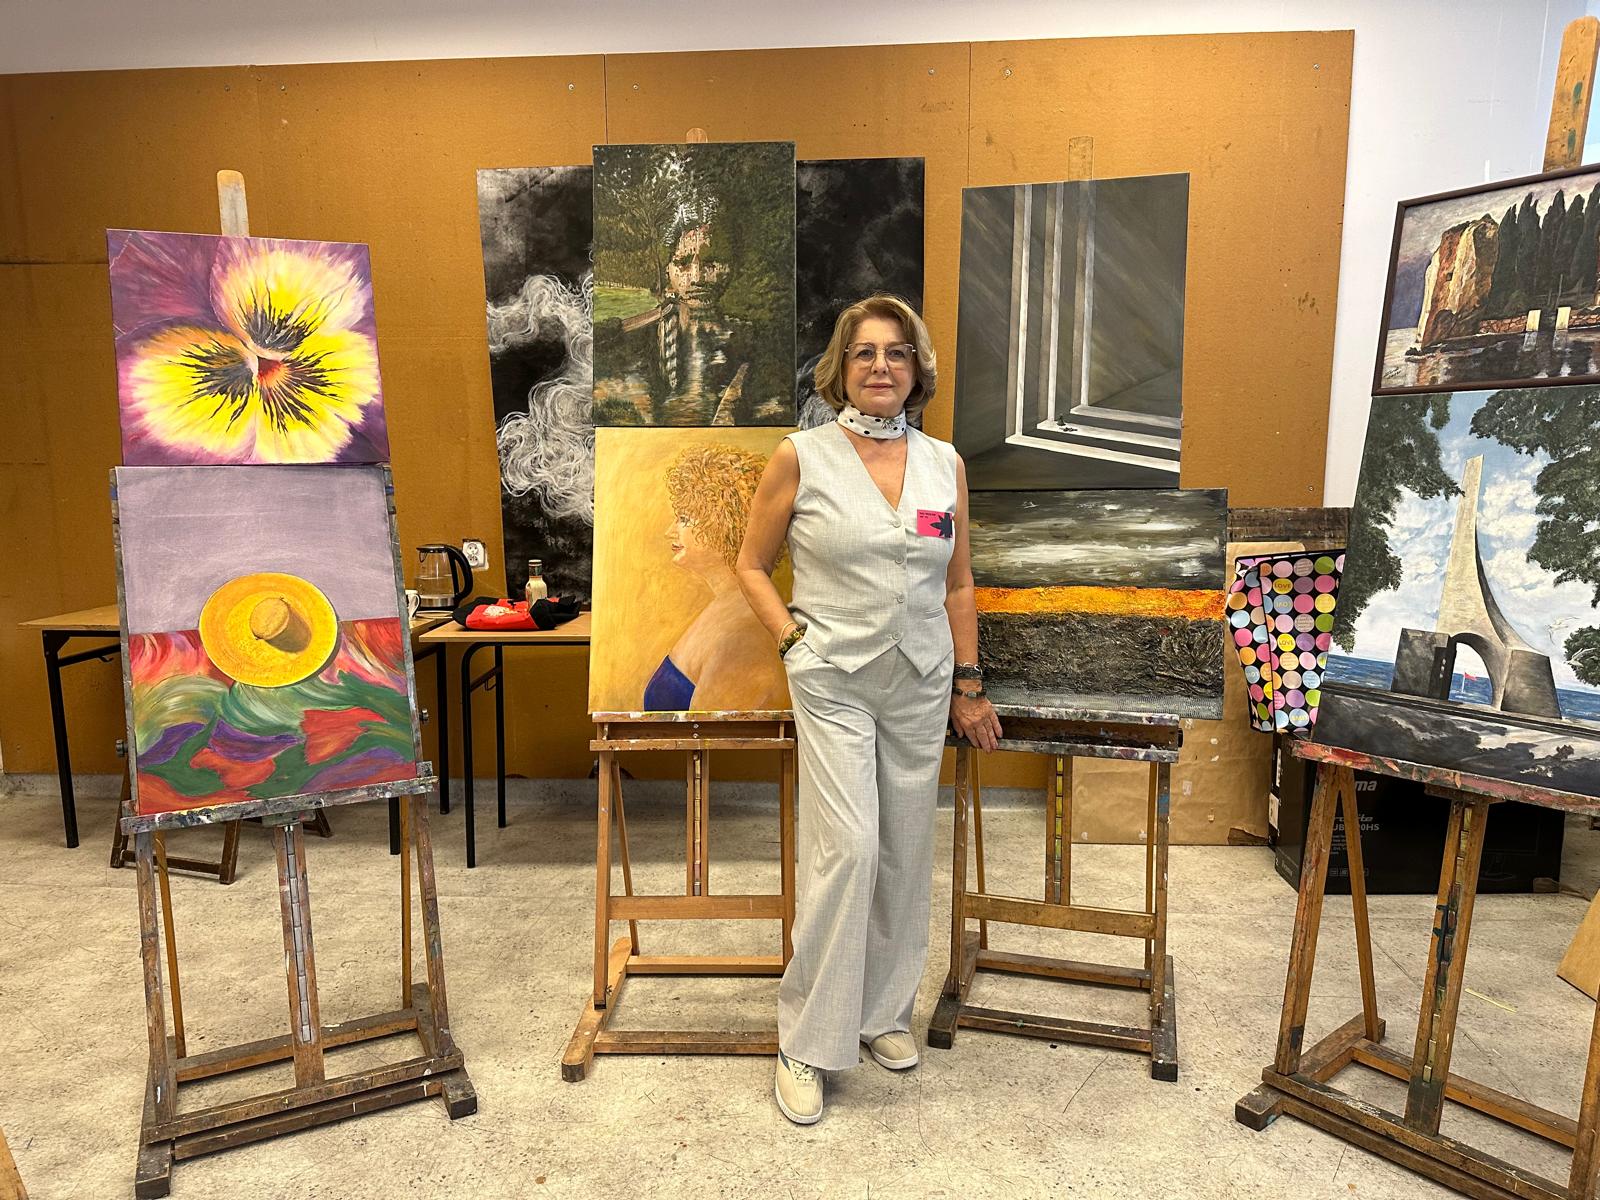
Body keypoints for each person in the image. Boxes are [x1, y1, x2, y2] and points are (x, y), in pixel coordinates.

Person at [736, 294, 1003, 1125]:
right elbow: (750, 565)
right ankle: (806, 1040)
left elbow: (958, 582)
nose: (881, 366)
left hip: (921, 680)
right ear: (840, 368)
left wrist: (968, 683)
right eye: (864, 353)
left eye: (896, 352)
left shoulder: (944, 463)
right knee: (848, 850)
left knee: (903, 849)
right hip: (835, 679)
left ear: (917, 369)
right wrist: (793, 644)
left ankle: (882, 1011)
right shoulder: (802, 456)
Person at [646, 443, 787, 711]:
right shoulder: (728, 605)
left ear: (722, 523)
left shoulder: (746, 636)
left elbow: (709, 733)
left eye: (684, 518)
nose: (670, 531)